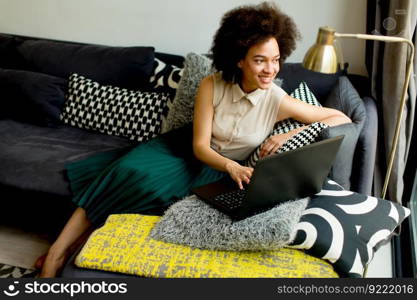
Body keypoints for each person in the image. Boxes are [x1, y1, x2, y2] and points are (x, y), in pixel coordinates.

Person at [37, 2, 351, 277]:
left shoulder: (278, 99)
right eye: (260, 60)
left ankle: (78, 246)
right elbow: (200, 147)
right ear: (239, 59)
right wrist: (233, 168)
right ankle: (56, 253)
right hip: (186, 150)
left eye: (276, 59)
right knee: (126, 173)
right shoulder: (211, 85)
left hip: (218, 170)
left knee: (154, 195)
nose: (271, 69)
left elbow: (342, 119)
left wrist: (294, 133)